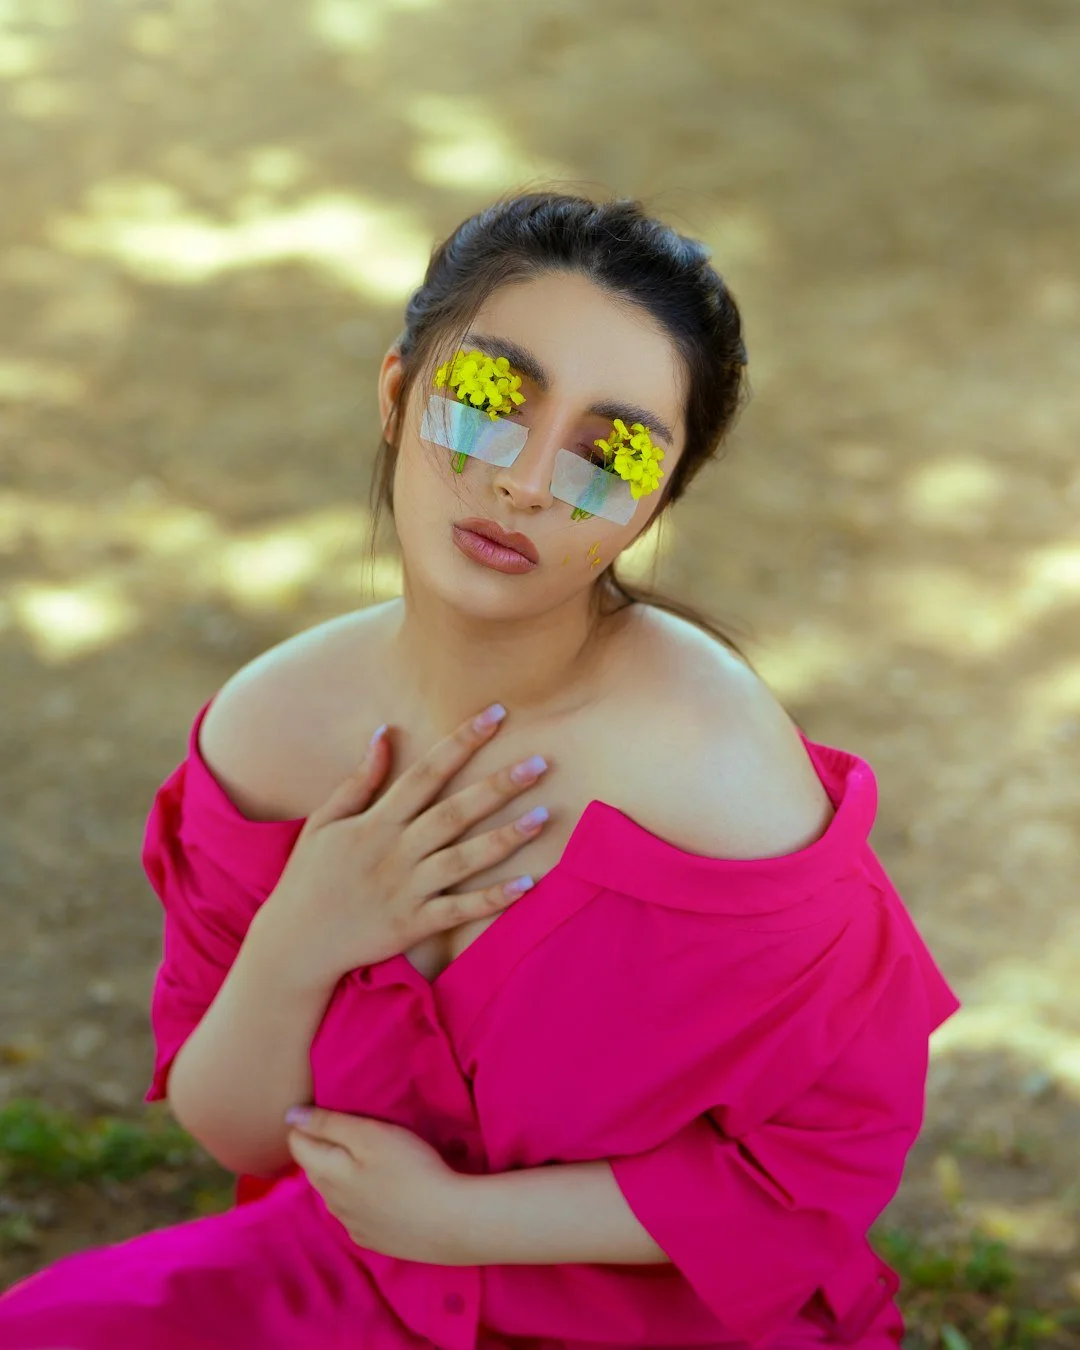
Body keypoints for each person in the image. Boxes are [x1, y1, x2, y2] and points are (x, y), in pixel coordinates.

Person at [0, 192, 960, 1350]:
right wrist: (306, 930)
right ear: (400, 393)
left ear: (656, 501)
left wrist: (460, 1220)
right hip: (356, 1289)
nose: (526, 482)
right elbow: (241, 1137)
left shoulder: (713, 770)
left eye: (611, 451)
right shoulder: (274, 732)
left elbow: (816, 1166)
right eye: (493, 400)